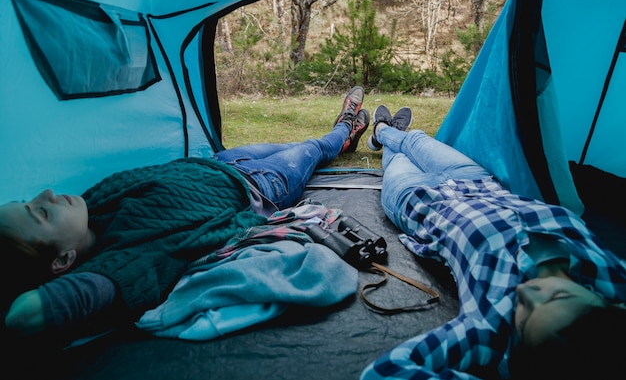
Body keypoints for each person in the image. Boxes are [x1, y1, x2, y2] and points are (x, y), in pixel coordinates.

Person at [0, 86, 370, 345]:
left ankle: (344, 137)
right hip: (258, 185)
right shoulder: (125, 261)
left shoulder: (94, 204)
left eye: (30, 199)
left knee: (301, 145)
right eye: (40, 214)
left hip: (219, 163)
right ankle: (345, 123)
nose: (47, 194)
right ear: (64, 259)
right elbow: (26, 315)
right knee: (315, 147)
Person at [360, 105, 626, 380]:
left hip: (419, 200)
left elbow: (384, 373)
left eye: (523, 319)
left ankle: (382, 132)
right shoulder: (615, 277)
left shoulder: (488, 330)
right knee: (415, 139)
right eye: (558, 295)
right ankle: (385, 132)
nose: (525, 294)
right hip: (477, 181)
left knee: (397, 160)